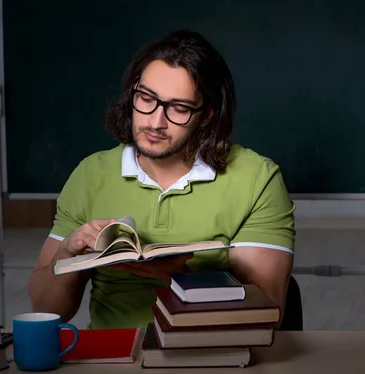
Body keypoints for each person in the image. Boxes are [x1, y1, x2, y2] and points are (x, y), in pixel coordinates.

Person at [28, 29, 296, 329]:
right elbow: (45, 310)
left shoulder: (257, 179)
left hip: (215, 354)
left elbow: (267, 315)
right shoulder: (90, 175)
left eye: (179, 109)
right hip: (113, 359)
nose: (155, 122)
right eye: (146, 99)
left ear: (206, 114)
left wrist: (177, 277)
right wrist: (68, 253)